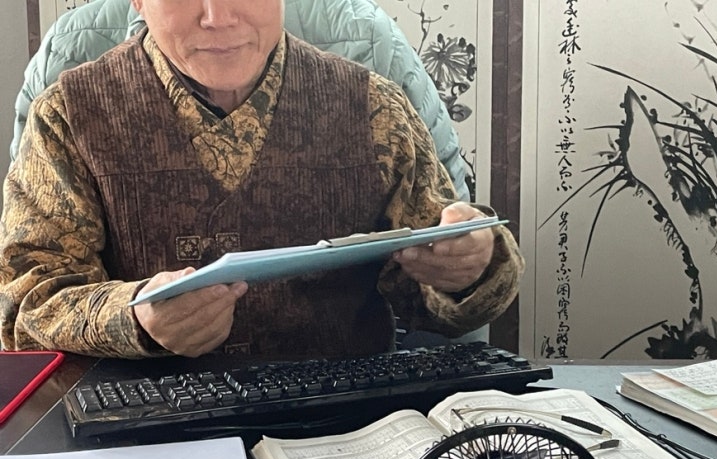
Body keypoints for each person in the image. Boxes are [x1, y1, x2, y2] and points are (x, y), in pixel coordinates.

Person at [0, 0, 524, 360]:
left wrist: (471, 267)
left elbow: (436, 298)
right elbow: (25, 305)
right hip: (147, 432)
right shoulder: (70, 117)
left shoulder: (373, 108)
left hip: (344, 425)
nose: (218, 16)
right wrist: (133, 319)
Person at [9, 0, 470, 201]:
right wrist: (129, 320)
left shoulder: (367, 45)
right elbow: (31, 282)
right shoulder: (68, 67)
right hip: (128, 371)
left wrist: (463, 278)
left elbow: (447, 234)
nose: (217, 17)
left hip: (348, 366)